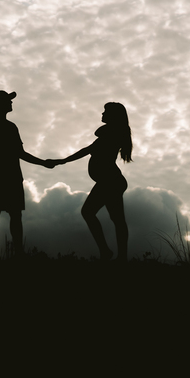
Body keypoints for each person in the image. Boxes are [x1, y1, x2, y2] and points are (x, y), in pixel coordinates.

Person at [0, 90, 54, 258]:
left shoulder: (11, 127)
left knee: (14, 214)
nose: (11, 103)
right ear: (0, 104)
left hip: (12, 177)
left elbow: (20, 153)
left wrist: (43, 163)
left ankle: (18, 252)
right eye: (8, 101)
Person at [50, 102, 132, 261]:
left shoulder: (110, 134)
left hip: (110, 182)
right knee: (115, 219)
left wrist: (62, 161)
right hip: (111, 181)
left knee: (92, 213)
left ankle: (112, 254)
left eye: (105, 112)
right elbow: (94, 140)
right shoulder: (110, 132)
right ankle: (115, 255)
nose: (102, 114)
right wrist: (62, 161)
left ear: (113, 116)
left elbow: (87, 150)